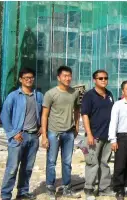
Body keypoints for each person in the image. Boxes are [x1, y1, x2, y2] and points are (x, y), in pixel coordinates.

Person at [0, 68, 43, 200]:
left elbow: (43, 113)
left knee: (28, 167)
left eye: (31, 77)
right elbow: (4, 116)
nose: (29, 80)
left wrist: (41, 127)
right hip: (19, 137)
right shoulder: (13, 96)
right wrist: (13, 133)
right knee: (12, 167)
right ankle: (6, 195)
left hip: (33, 136)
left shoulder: (39, 96)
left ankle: (23, 192)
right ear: (20, 80)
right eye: (26, 78)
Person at [41, 66, 81, 199]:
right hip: (54, 133)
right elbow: (44, 115)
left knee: (67, 162)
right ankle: (50, 187)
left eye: (69, 75)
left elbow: (76, 110)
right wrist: (44, 136)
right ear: (58, 78)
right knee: (51, 161)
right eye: (64, 76)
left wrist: (76, 126)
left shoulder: (74, 93)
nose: (68, 78)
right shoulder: (51, 94)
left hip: (69, 132)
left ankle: (66, 188)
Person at [81, 70, 115, 199]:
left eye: (105, 78)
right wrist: (89, 134)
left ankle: (104, 188)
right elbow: (85, 115)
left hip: (107, 136)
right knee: (92, 163)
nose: (103, 80)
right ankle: (89, 189)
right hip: (94, 136)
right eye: (100, 78)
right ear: (94, 80)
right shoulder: (89, 95)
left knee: (104, 163)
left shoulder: (110, 95)